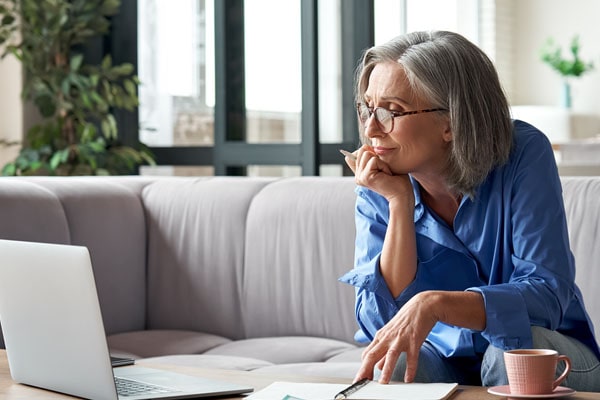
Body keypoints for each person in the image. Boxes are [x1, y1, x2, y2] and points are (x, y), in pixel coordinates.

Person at [339, 30, 600, 390]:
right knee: (393, 362)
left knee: (508, 354)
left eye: (391, 112)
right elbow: (379, 324)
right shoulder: (380, 178)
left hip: (548, 351)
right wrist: (399, 204)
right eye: (367, 107)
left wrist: (436, 304)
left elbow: (547, 294)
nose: (371, 129)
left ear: (450, 122)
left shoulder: (523, 152)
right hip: (445, 358)